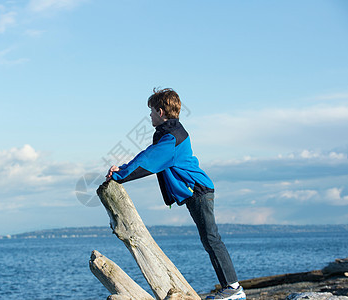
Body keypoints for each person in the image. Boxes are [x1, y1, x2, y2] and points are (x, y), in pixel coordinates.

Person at [105, 88, 246, 300]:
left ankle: (233, 289)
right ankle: (231, 288)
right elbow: (147, 155)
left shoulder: (172, 137)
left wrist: (120, 176)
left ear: (161, 112)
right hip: (196, 191)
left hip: (198, 190)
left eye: (151, 111)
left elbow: (149, 161)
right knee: (209, 239)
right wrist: (122, 169)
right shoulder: (169, 134)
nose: (150, 116)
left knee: (211, 239)